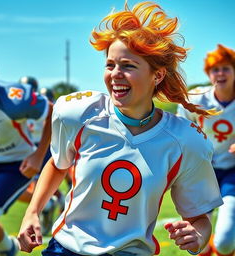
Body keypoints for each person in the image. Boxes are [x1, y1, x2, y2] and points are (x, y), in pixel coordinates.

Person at [17, 2, 223, 256]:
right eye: (110, 64)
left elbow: (199, 219)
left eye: (128, 66)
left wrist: (197, 236)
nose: (115, 74)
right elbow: (58, 164)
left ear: (156, 76)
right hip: (68, 248)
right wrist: (32, 212)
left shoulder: (185, 141)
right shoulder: (79, 114)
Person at [0, 48, 52, 256]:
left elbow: (52, 111)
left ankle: (9, 248)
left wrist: (38, 155)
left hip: (15, 164)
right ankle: (8, 248)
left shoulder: (12, 99)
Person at [177, 44, 235, 256]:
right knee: (196, 245)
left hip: (232, 173)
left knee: (226, 241)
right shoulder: (196, 99)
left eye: (226, 68)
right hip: (202, 172)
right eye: (215, 69)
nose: (220, 73)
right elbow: (181, 131)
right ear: (208, 74)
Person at [18, 77, 66, 236]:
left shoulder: (39, 107)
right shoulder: (24, 107)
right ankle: (52, 205)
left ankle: (50, 206)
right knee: (35, 187)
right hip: (33, 150)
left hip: (43, 150)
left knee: (38, 187)